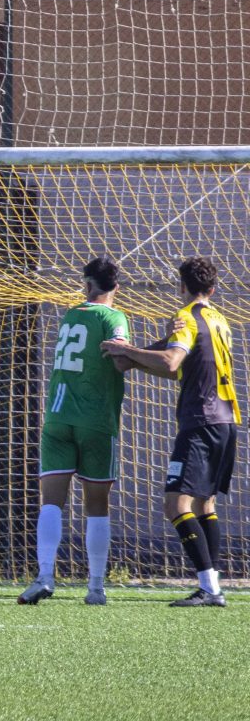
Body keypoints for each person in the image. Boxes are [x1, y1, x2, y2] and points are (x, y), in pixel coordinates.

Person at [102, 256, 239, 607]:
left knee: (174, 503)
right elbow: (179, 362)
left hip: (200, 421)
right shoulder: (219, 319)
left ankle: (209, 589)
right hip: (226, 421)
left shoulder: (186, 316)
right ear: (213, 287)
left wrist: (125, 351)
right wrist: (132, 358)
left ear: (181, 286)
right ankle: (213, 586)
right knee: (205, 503)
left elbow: (171, 361)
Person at [19, 256, 131, 606]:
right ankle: (96, 587)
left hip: (57, 417)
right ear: (116, 287)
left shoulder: (70, 316)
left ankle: (44, 576)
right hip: (95, 420)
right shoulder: (114, 317)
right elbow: (121, 357)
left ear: (86, 285)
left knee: (51, 501)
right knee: (96, 504)